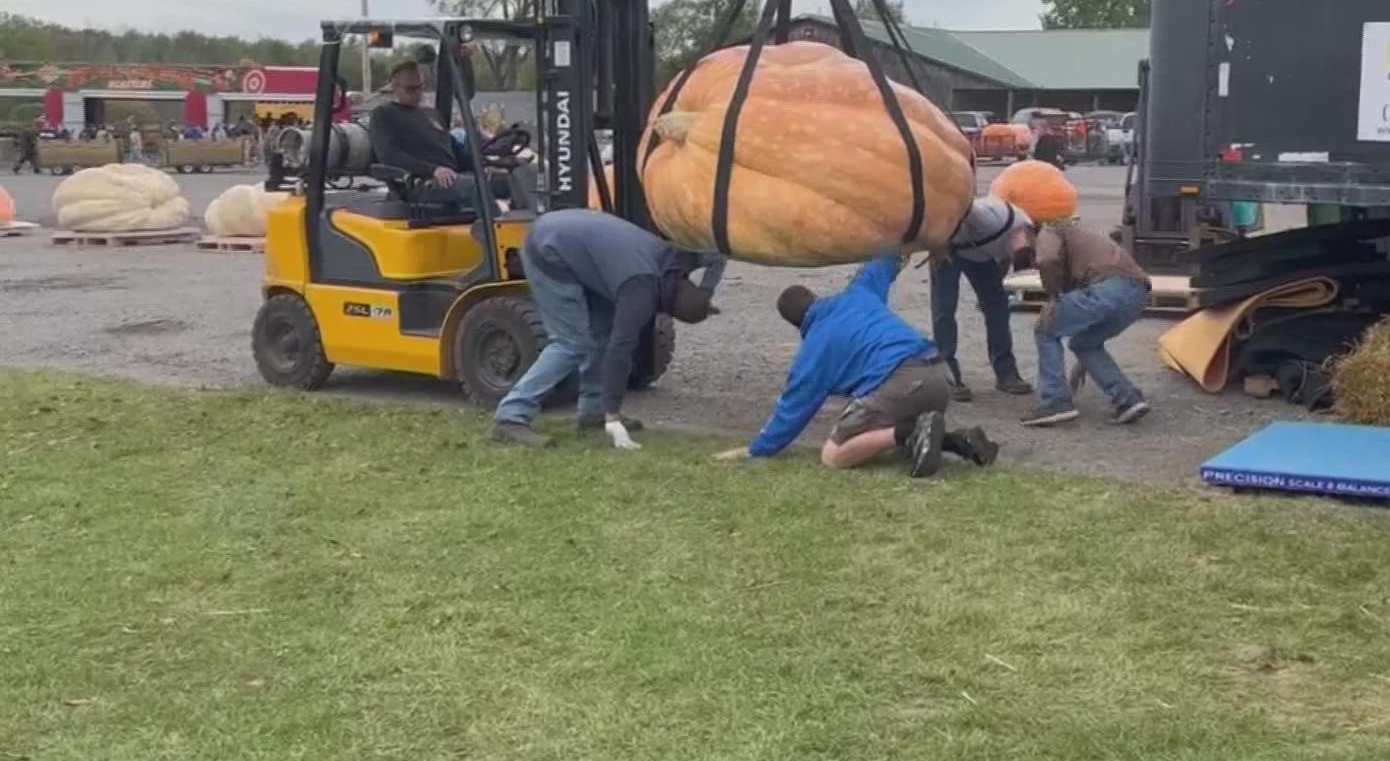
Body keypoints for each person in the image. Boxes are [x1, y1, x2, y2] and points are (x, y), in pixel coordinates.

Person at [723, 252, 998, 478]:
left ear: (797, 325)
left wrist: (757, 451)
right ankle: (956, 441)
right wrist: (914, 237)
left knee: (835, 454)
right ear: (815, 298)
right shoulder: (859, 293)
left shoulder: (814, 350)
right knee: (879, 440)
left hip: (904, 381)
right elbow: (885, 258)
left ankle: (909, 430)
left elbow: (792, 409)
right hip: (941, 374)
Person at [491, 208, 726, 449]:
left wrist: (705, 294)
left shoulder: (676, 260)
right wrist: (614, 415)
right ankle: (511, 417)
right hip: (548, 249)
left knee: (602, 333)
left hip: (572, 236)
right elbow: (621, 350)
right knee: (571, 343)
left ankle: (594, 412)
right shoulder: (640, 290)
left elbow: (718, 256)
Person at [1015, 221, 1153, 427]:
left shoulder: (1049, 229)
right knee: (1085, 343)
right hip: (1137, 295)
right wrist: (1085, 362)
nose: (1034, 264)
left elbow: (1048, 259)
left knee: (1045, 329)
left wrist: (1052, 297)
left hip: (1107, 288)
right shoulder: (1080, 238)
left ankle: (1054, 401)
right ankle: (1128, 399)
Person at [368, 60, 536, 212]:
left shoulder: (431, 114)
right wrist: (433, 170)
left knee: (517, 177)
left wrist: (487, 163)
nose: (418, 93)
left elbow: (453, 149)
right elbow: (389, 156)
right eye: (411, 88)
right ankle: (497, 234)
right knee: (475, 186)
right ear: (395, 87)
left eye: (421, 87)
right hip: (420, 182)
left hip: (452, 177)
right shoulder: (384, 115)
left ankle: (529, 230)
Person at [930, 195, 1035, 402]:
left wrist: (995, 290)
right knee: (945, 308)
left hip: (978, 253)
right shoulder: (987, 218)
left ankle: (1006, 372)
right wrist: (938, 245)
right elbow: (956, 206)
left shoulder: (1027, 233)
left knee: (998, 308)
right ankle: (948, 373)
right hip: (948, 246)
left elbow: (1005, 260)